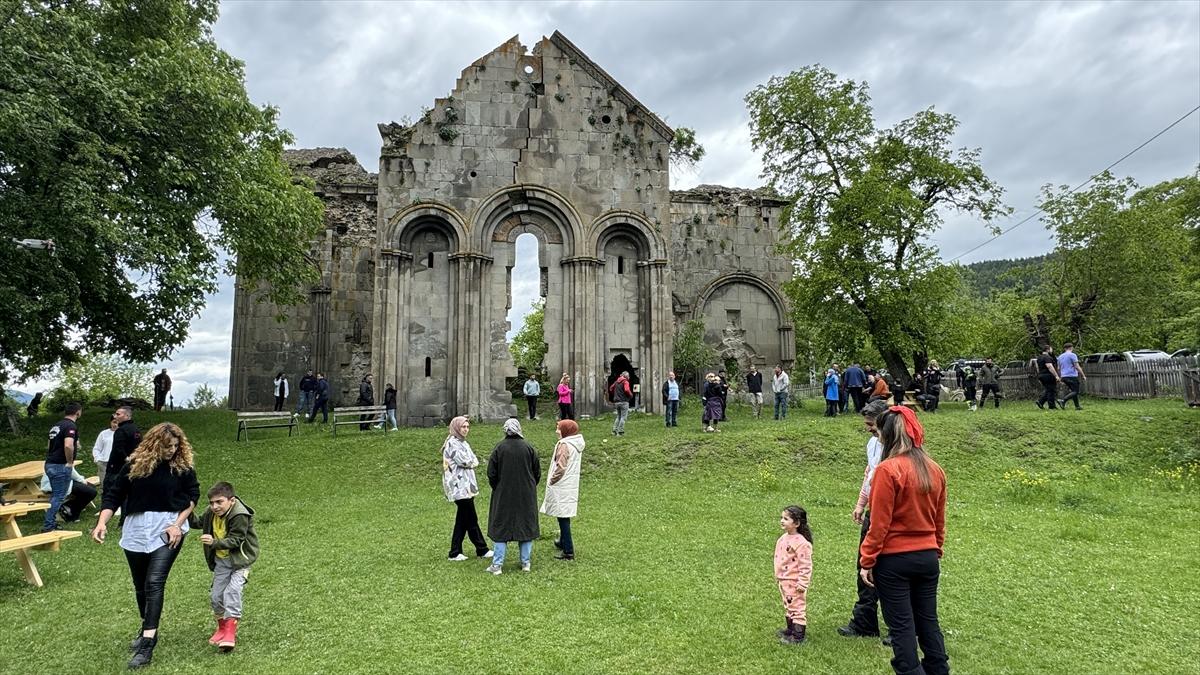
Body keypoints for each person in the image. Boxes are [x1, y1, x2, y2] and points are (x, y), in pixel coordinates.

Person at [92, 422, 200, 669]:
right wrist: (102, 523)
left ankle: (148, 643)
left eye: (175, 446)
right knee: (140, 584)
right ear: (155, 444)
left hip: (169, 527)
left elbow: (193, 496)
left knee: (154, 582)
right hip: (137, 528)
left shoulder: (182, 467)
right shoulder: (134, 465)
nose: (172, 450)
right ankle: (145, 625)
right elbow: (113, 495)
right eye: (167, 446)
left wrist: (177, 524)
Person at [860, 406, 949, 675]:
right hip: (927, 557)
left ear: (885, 435)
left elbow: (879, 524)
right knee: (928, 622)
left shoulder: (888, 470)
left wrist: (867, 560)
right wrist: (936, 550)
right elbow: (939, 521)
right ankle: (938, 669)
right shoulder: (935, 469)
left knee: (902, 628)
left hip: (894, 560)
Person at [838, 400, 892, 645]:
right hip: (873, 511)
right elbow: (869, 475)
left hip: (893, 514)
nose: (868, 428)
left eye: (871, 424)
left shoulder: (898, 448)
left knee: (891, 569)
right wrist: (861, 503)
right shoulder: (872, 444)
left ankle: (899, 628)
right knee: (864, 564)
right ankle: (865, 622)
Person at [195, 481, 259, 652]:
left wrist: (214, 542)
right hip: (221, 562)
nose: (214, 506)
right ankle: (221, 628)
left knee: (232, 591)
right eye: (211, 503)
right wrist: (184, 509)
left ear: (231, 500)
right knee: (216, 596)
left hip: (240, 561)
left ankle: (230, 632)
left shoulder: (239, 515)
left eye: (219, 502)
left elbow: (236, 540)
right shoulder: (211, 512)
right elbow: (197, 522)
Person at [485, 419, 541, 574]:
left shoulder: (499, 448)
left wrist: (498, 487)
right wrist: (529, 486)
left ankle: (497, 565)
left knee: (501, 527)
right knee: (525, 526)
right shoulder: (529, 447)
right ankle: (525, 563)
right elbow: (537, 472)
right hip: (526, 494)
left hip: (504, 493)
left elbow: (491, 473)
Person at [441, 416, 492, 562]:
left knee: (463, 519)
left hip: (467, 486)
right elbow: (464, 461)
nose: (466, 429)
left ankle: (455, 551)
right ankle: (481, 549)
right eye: (463, 427)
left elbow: (473, 459)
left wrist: (472, 461)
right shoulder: (452, 443)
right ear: (456, 427)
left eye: (467, 427)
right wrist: (472, 462)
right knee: (470, 518)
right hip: (458, 487)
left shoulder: (463, 443)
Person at [541, 419, 585, 561]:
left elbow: (561, 467)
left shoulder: (564, 445)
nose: (556, 431)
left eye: (559, 429)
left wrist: (552, 480)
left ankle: (568, 551)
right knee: (563, 515)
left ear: (565, 431)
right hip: (569, 485)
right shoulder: (576, 444)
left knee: (563, 518)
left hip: (562, 485)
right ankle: (563, 541)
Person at [775, 505, 813, 645]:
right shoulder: (784, 538)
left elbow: (806, 565)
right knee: (788, 605)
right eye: (781, 518)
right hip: (784, 580)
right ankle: (790, 629)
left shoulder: (802, 543)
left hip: (794, 581)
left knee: (797, 607)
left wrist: (803, 583)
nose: (782, 521)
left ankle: (798, 636)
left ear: (796, 523)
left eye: (786, 519)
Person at [43, 403, 82, 532]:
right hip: (60, 465)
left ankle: (51, 522)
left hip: (50, 463)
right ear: (78, 412)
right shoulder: (71, 426)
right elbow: (68, 445)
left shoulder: (56, 425)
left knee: (56, 495)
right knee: (59, 496)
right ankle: (49, 525)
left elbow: (49, 445)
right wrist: (70, 462)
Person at [106, 405, 142, 495]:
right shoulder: (136, 430)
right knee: (127, 494)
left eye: (118, 414)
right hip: (132, 467)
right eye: (115, 414)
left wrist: (126, 458)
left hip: (116, 468)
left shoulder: (121, 431)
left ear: (127, 416)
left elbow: (118, 449)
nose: (115, 416)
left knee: (110, 492)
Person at [92, 415, 118, 496]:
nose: (116, 425)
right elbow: (96, 448)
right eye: (114, 422)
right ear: (110, 422)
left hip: (117, 464)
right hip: (104, 463)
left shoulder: (124, 433)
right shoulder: (104, 434)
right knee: (105, 486)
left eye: (118, 423)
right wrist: (98, 459)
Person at [1057, 343, 1086, 410]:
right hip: (1071, 375)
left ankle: (1077, 406)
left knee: (1073, 391)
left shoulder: (1060, 357)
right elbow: (1077, 366)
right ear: (1071, 348)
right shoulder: (1072, 355)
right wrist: (1083, 375)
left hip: (1064, 376)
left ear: (1064, 348)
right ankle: (1063, 400)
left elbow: (1058, 368)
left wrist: (1060, 376)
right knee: (1076, 391)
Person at [1034, 346, 1061, 410]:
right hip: (1048, 375)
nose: (1052, 350)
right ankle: (1052, 406)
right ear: (1048, 350)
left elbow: (1037, 367)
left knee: (1049, 389)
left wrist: (1040, 374)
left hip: (1041, 375)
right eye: (1051, 349)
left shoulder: (1039, 358)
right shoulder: (1047, 357)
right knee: (1051, 391)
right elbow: (1049, 366)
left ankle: (1040, 402)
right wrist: (1056, 375)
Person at [610, 370, 632, 436]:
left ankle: (614, 430)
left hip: (617, 402)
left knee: (618, 417)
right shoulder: (625, 382)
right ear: (626, 376)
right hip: (624, 401)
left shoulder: (616, 382)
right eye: (628, 376)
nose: (629, 377)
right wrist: (630, 395)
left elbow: (611, 388)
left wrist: (615, 394)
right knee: (623, 417)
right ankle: (620, 432)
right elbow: (627, 389)